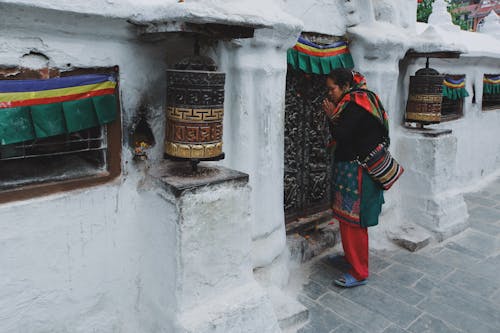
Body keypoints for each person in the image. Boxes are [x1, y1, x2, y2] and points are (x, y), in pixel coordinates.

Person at [322, 68, 388, 288]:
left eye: (332, 88)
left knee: (355, 223)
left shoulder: (355, 104)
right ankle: (351, 259)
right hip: (350, 170)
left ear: (345, 86)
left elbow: (342, 135)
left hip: (359, 173)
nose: (329, 93)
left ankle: (359, 272)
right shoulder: (357, 101)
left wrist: (332, 117)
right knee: (346, 219)